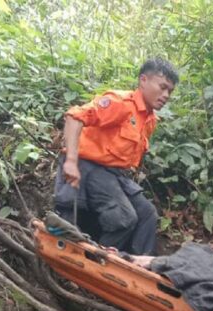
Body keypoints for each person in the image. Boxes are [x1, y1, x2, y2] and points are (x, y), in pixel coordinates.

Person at [53, 58, 178, 255]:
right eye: (162, 87)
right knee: (124, 217)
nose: (166, 95)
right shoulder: (120, 104)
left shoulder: (150, 120)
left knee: (147, 214)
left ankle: (138, 264)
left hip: (115, 176)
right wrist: (70, 161)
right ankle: (96, 259)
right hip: (89, 167)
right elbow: (74, 116)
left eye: (169, 91)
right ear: (143, 80)